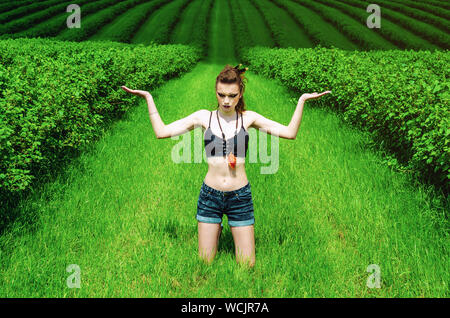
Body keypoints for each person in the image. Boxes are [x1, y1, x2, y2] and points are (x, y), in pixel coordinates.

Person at [121, 64, 331, 267]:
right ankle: (215, 228)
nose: (226, 101)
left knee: (247, 265)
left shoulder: (248, 118)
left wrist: (302, 100)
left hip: (239, 197)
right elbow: (162, 132)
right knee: (205, 262)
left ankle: (222, 228)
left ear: (240, 94)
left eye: (232, 95)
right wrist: (148, 97)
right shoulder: (204, 117)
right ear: (216, 92)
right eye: (222, 95)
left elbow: (289, 133)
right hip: (210, 196)